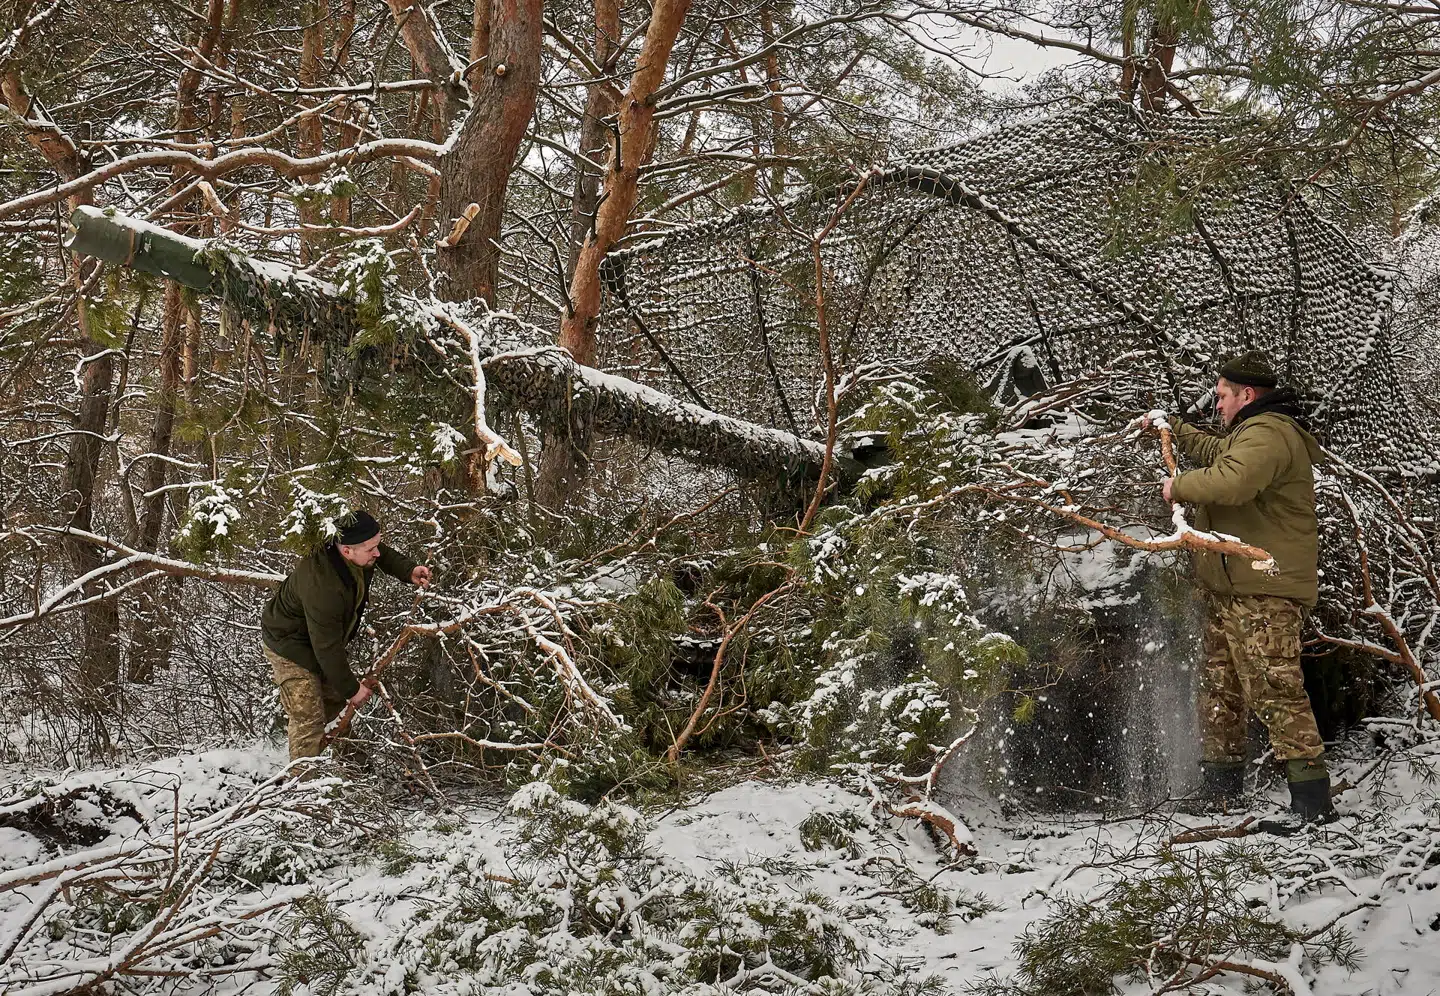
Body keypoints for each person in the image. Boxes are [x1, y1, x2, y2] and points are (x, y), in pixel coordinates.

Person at [1153, 351, 1336, 833]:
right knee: (1222, 690)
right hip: (1231, 587)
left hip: (1264, 589)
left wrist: (1178, 488)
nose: (1217, 405)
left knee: (1276, 688)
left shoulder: (1270, 433)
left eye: (1221, 397)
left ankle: (1313, 803)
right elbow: (1221, 455)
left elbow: (1233, 481)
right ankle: (1221, 791)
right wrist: (1172, 428)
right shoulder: (1248, 434)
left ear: (1246, 395)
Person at [260, 510, 431, 763]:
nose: (378, 553)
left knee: (336, 703)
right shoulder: (323, 586)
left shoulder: (353, 546)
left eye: (377, 544)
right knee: (308, 716)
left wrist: (408, 570)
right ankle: (304, 788)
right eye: (371, 548)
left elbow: (379, 551)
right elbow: (326, 648)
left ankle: (349, 772)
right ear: (347, 551)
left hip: (320, 639)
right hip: (289, 644)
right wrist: (352, 689)